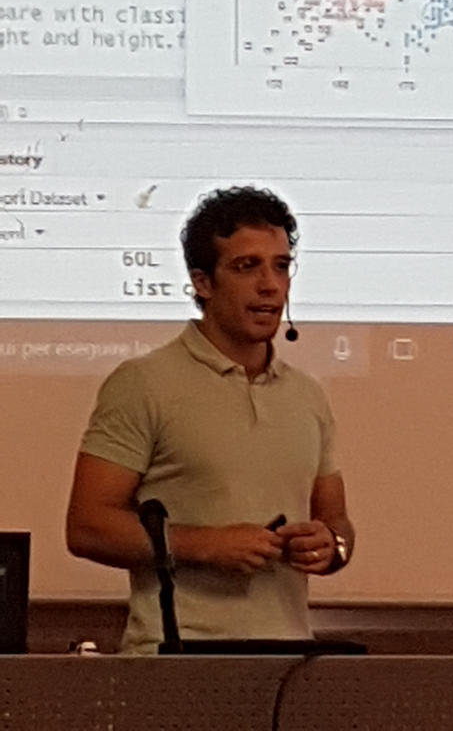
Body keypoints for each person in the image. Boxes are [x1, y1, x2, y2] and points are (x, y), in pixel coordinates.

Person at [66, 185, 354, 654]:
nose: (270, 285)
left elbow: (336, 521)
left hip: (289, 661)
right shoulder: (143, 382)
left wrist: (331, 545)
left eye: (281, 266)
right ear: (202, 283)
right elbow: (87, 526)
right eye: (247, 266)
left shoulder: (307, 395)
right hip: (176, 657)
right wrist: (206, 545)